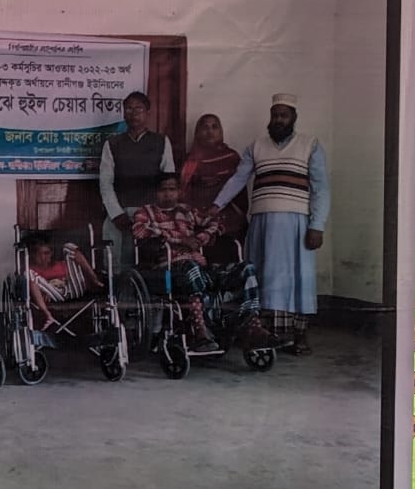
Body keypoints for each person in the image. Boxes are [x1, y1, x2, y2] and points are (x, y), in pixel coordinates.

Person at [211, 93, 330, 355]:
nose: (278, 120)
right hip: (262, 224)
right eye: (275, 115)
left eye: (284, 115)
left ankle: (299, 336)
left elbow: (321, 188)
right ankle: (263, 334)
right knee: (262, 276)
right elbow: (238, 179)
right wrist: (216, 205)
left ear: (294, 117)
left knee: (298, 279)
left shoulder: (310, 145)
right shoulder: (256, 146)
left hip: (297, 225)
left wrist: (317, 225)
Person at [133, 173, 268, 353]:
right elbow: (140, 231)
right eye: (163, 190)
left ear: (179, 191)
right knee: (190, 266)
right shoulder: (145, 212)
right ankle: (200, 331)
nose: (168, 194)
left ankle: (253, 326)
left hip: (199, 267)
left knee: (246, 268)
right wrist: (179, 240)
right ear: (156, 192)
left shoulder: (187, 211)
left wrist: (200, 238)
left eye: (172, 189)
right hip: (168, 268)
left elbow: (216, 222)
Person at [99, 90, 175, 269]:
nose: (133, 113)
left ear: (148, 112)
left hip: (152, 215)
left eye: (138, 109)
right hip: (120, 213)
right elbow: (105, 183)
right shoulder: (112, 144)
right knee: (117, 266)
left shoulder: (161, 141)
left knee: (153, 264)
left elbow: (168, 181)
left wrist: (159, 214)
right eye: (128, 109)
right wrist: (117, 214)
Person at [180, 113, 248, 241]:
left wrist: (217, 208)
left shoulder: (231, 157)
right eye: (205, 127)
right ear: (198, 132)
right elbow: (183, 191)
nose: (210, 131)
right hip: (195, 214)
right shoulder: (190, 159)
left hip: (226, 214)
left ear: (221, 131)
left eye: (214, 127)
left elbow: (240, 194)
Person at [23, 234, 101, 331]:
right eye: (40, 254)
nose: (44, 257)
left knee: (68, 247)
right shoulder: (32, 270)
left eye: (47, 253)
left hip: (73, 289)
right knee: (28, 273)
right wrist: (45, 291)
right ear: (34, 255)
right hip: (56, 295)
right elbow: (34, 287)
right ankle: (47, 315)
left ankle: (94, 278)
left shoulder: (61, 265)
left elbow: (74, 277)